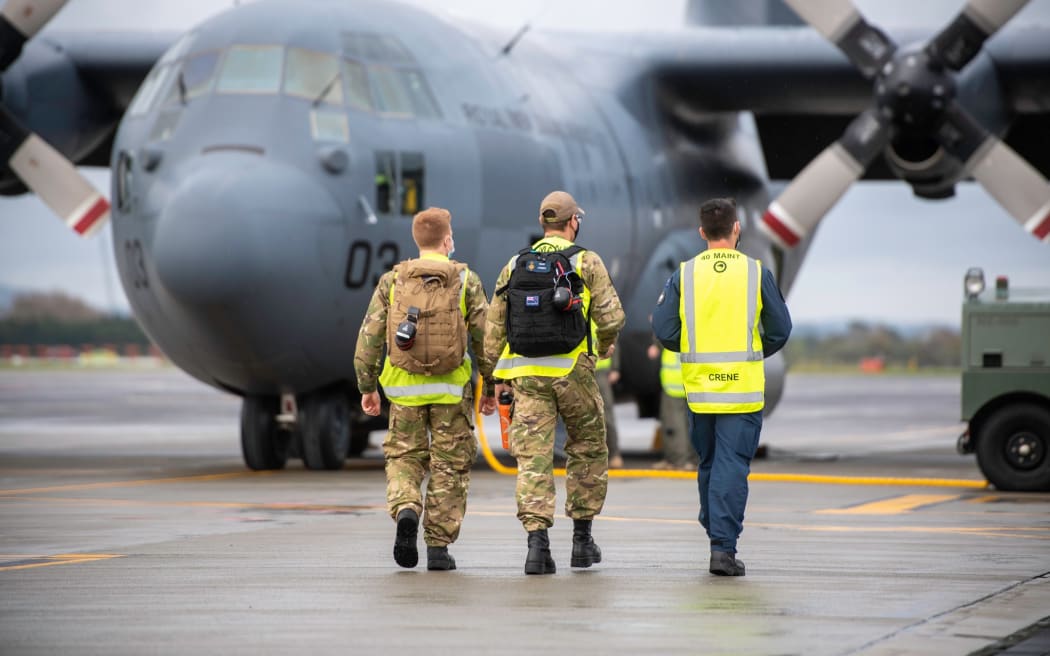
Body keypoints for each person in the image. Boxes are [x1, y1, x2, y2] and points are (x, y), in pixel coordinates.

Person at [485, 190, 625, 575]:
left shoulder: (515, 263)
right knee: (588, 450)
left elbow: (493, 328)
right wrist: (603, 345)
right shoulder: (586, 260)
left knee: (533, 460)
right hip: (573, 373)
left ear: (543, 224)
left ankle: (537, 547)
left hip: (527, 376)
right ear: (573, 222)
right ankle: (582, 541)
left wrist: (492, 377)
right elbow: (612, 317)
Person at [651, 197, 791, 577]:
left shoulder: (685, 273)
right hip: (741, 391)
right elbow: (780, 329)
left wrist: (697, 347)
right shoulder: (755, 272)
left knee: (709, 463)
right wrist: (754, 350)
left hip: (700, 390)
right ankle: (722, 549)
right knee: (731, 466)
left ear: (701, 233)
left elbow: (664, 330)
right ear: (736, 229)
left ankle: (713, 523)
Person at [354, 207, 496, 571]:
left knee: (404, 458)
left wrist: (367, 386)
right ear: (447, 240)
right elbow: (486, 338)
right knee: (449, 466)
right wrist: (493, 386)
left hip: (403, 392)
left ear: (417, 242)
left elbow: (369, 337)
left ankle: (405, 508)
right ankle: (438, 548)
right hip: (450, 392)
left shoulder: (392, 281)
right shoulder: (465, 280)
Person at [647, 343, 696, 471]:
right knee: (692, 422)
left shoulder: (672, 327)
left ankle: (678, 461)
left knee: (674, 424)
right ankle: (693, 460)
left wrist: (655, 343)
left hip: (674, 383)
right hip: (693, 380)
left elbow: (664, 332)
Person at [596, 338, 624, 469]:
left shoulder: (599, 318)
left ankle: (614, 454)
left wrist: (615, 368)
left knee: (606, 414)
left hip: (600, 373)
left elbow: (613, 339)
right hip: (580, 370)